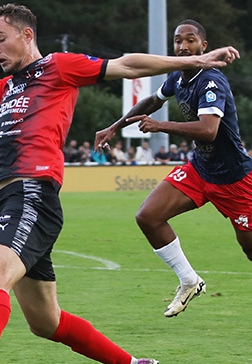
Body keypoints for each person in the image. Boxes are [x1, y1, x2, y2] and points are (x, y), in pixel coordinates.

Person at [0, 3, 238, 364]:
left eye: (0, 39)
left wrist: (196, 59)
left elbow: (126, 65)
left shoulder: (57, 66)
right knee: (46, 322)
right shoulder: (13, 85)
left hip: (32, 193)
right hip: (12, 199)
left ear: (26, 35)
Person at [95, 18, 250, 318]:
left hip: (234, 180)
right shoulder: (178, 78)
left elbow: (208, 130)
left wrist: (160, 126)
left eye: (190, 40)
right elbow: (153, 100)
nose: (182, 46)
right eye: (178, 40)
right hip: (200, 170)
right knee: (148, 217)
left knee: (250, 252)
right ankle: (189, 280)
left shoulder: (212, 80)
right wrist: (114, 127)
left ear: (203, 47)